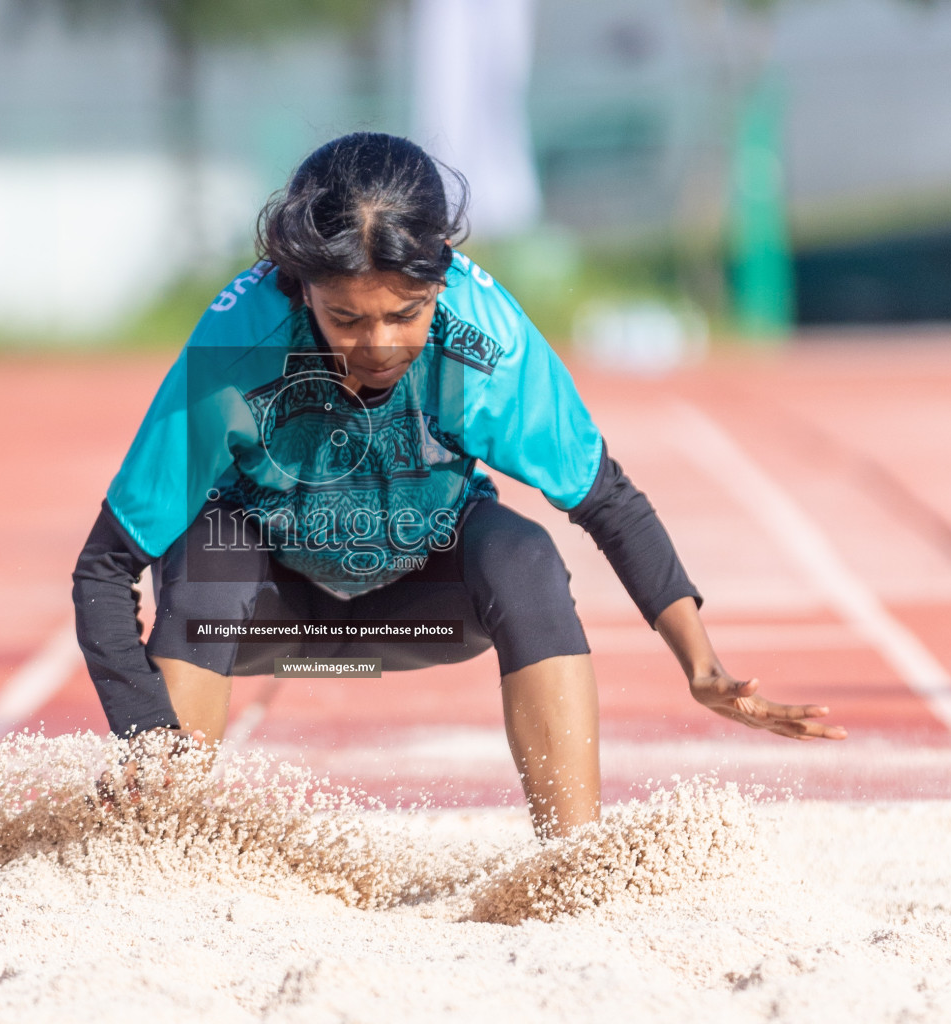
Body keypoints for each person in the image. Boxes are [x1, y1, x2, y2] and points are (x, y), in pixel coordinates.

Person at [72, 132, 845, 838]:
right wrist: (147, 736)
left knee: (526, 555)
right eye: (344, 318)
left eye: (404, 314)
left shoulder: (485, 340)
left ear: (440, 279)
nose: (377, 345)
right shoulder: (236, 349)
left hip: (429, 610)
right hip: (258, 612)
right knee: (207, 556)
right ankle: (158, 834)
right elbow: (103, 567)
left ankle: (572, 858)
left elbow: (604, 498)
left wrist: (702, 665)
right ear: (297, 286)